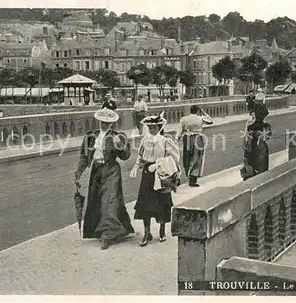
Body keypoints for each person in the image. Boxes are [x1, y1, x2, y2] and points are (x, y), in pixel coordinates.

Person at [74, 108, 134, 250]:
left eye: (108, 122)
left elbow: (125, 156)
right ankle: (106, 230)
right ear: (99, 121)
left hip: (111, 169)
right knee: (96, 201)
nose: (104, 124)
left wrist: (121, 146)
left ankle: (107, 235)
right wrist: (79, 172)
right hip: (96, 170)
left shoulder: (118, 136)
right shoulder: (90, 136)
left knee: (109, 201)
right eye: (103, 122)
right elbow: (83, 156)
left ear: (112, 123)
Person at [130, 113, 181, 246]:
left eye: (154, 127)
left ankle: (162, 229)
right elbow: (141, 156)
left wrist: (158, 164)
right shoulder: (144, 141)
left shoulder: (165, 141)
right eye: (149, 127)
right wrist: (136, 166)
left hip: (161, 174)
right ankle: (147, 232)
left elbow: (174, 158)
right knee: (145, 203)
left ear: (159, 128)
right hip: (147, 173)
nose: (151, 130)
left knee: (161, 202)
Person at [175, 105, 213, 187]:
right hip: (197, 138)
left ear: (190, 110)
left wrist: (177, 137)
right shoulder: (201, 118)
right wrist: (203, 112)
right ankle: (193, 178)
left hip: (187, 138)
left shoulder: (184, 119)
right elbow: (210, 121)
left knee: (187, 156)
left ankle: (188, 174)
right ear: (197, 111)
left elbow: (180, 129)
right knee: (197, 158)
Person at [241, 101, 272, 181]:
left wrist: (245, 159)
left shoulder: (251, 128)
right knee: (262, 175)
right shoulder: (266, 127)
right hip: (262, 151)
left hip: (253, 152)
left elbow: (247, 146)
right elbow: (267, 136)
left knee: (252, 176)